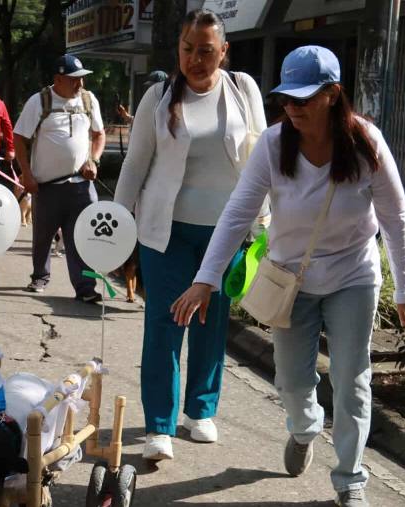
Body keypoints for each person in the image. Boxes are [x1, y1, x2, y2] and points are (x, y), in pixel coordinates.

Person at [171, 46, 405, 507]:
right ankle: (305, 427)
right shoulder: (272, 143)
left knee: (351, 379)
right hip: (290, 277)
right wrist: (205, 279)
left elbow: (395, 218)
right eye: (286, 98)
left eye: (305, 98)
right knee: (290, 380)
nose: (293, 107)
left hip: (353, 275)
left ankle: (350, 480)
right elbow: (238, 213)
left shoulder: (366, 143)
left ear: (333, 94)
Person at [113, 10, 266, 461]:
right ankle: (160, 423)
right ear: (177, 49)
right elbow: (135, 166)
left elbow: (262, 157)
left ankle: (200, 410)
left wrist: (265, 222)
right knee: (163, 324)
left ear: (224, 51)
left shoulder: (243, 90)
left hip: (226, 233)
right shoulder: (158, 97)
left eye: (205, 50)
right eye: (187, 49)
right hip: (165, 234)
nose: (195, 59)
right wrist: (119, 226)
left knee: (210, 323)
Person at [14, 54, 105, 301]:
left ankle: (86, 288)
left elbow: (98, 135)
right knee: (43, 234)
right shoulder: (39, 101)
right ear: (58, 79)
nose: (80, 84)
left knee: (83, 236)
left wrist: (93, 160)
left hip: (81, 185)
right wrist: (27, 174)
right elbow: (19, 138)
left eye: (82, 79)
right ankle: (39, 277)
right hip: (46, 186)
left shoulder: (88, 100)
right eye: (74, 79)